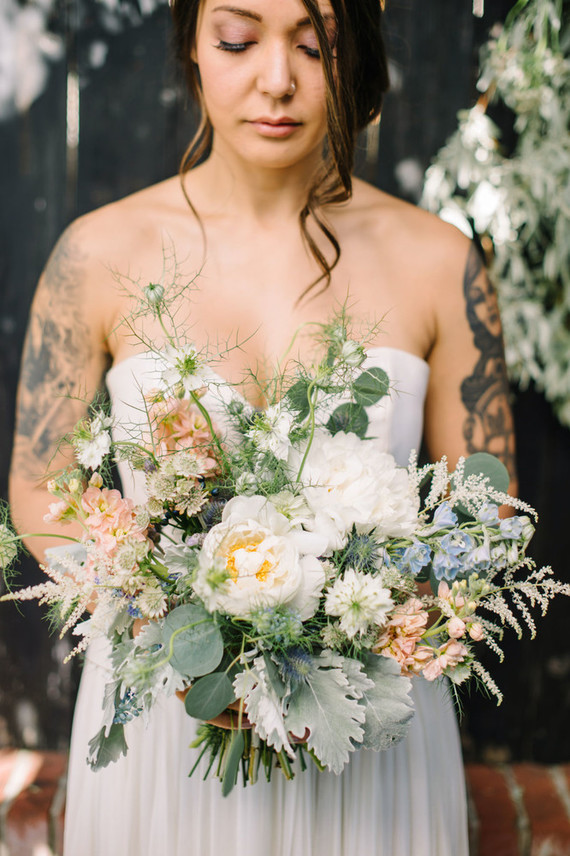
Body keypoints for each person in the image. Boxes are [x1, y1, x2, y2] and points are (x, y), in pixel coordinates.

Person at [9, 0, 516, 853]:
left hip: (371, 734)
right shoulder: (95, 255)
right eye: (238, 41)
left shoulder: (443, 263)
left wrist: (360, 624)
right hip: (166, 720)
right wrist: (179, 621)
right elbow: (38, 484)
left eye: (313, 46)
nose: (275, 80)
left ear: (351, 52)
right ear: (192, 46)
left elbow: (487, 512)